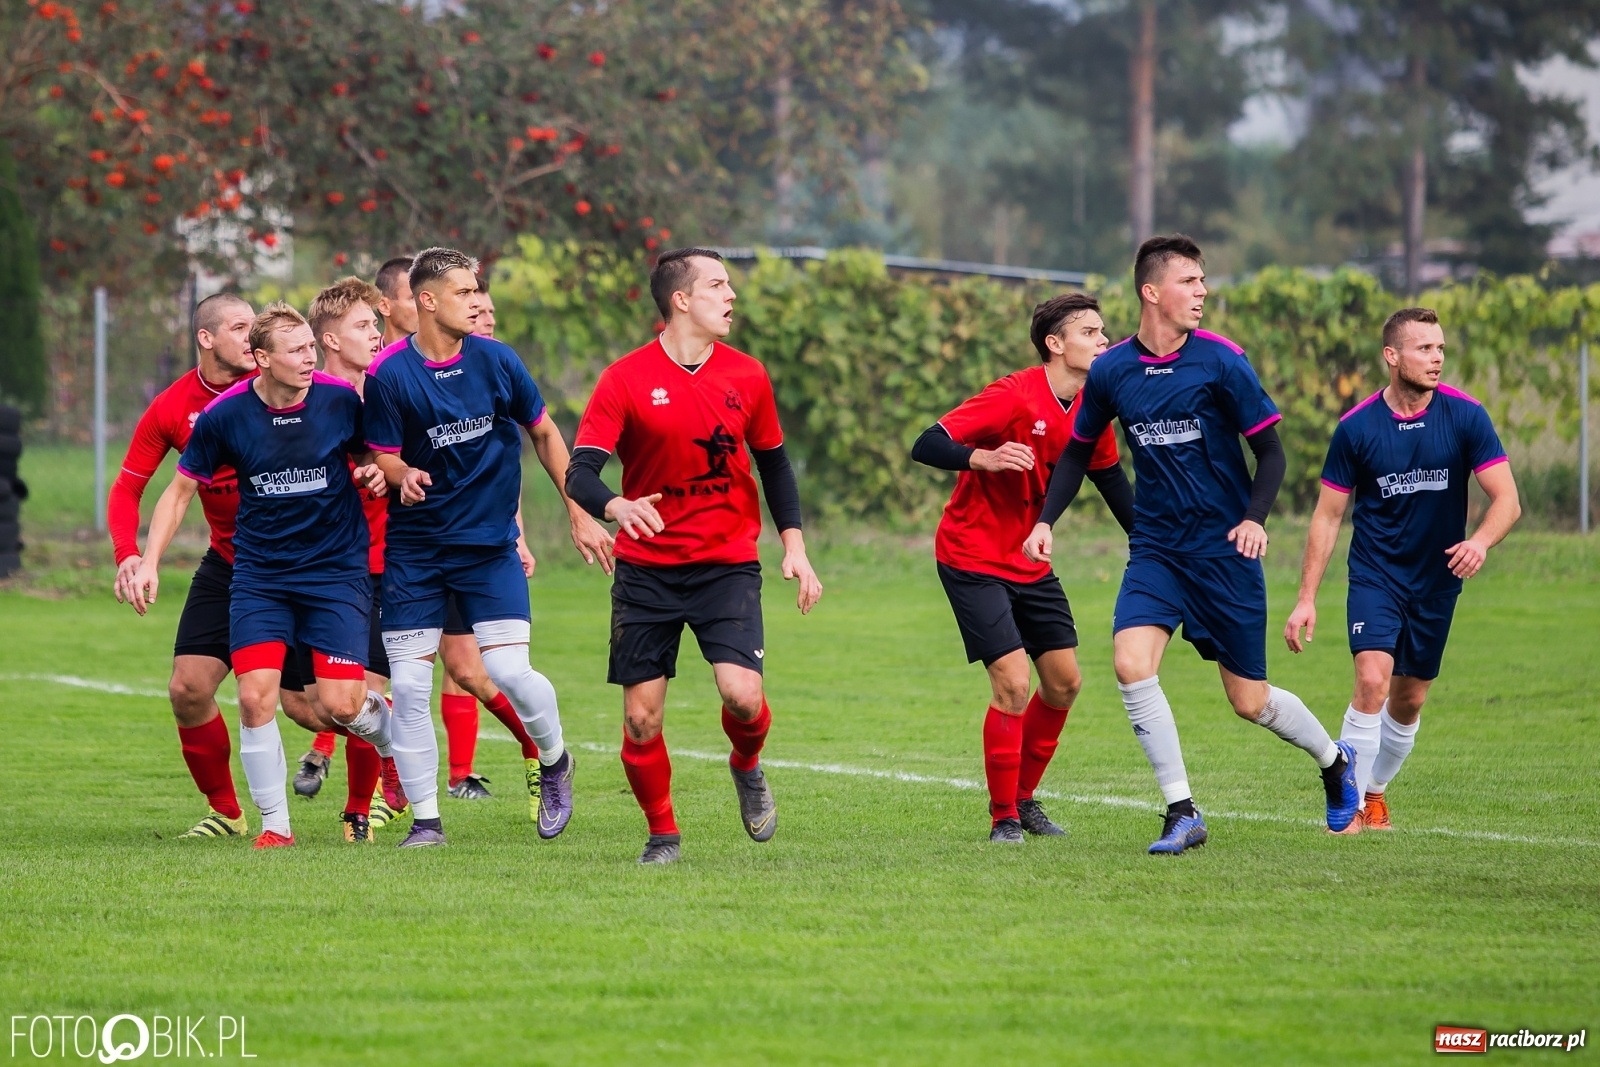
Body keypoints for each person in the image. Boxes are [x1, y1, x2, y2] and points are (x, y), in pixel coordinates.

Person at [1022, 234, 1359, 854]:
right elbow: (1076, 453)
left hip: (1226, 555)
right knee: (1130, 666)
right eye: (1189, 282)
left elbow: (1272, 453)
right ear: (1152, 292)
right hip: (1157, 550)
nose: (1202, 292)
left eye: (1204, 282)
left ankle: (1335, 762)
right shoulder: (1114, 370)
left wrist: (1255, 519)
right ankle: (1182, 810)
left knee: (1249, 701)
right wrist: (1047, 519)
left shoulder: (1223, 361)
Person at [566, 247, 823, 865]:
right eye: (717, 284)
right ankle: (663, 835)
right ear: (680, 300)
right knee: (641, 720)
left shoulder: (748, 374)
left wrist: (795, 544)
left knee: (743, 697)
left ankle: (747, 762)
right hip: (647, 571)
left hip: (726, 563)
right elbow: (580, 473)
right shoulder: (624, 378)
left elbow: (775, 464)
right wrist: (616, 507)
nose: (731, 295)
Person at [365, 247, 612, 848]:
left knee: (509, 671)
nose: (478, 302)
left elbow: (547, 433)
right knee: (412, 685)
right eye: (465, 292)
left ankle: (554, 761)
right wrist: (404, 477)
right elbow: (385, 456)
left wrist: (579, 513)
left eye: (479, 291)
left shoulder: (499, 361)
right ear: (427, 301)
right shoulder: (390, 375)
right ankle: (427, 823)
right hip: (417, 552)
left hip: (488, 547)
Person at [131, 302, 390, 848]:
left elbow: (376, 455)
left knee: (342, 707)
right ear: (262, 358)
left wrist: (375, 472)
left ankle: (391, 744)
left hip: (334, 573)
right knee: (255, 698)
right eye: (295, 350)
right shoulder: (225, 415)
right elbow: (179, 493)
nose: (308, 359)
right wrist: (149, 560)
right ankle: (276, 827)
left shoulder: (341, 401)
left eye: (311, 349)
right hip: (259, 577)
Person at [1285, 307, 1520, 832]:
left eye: (1440, 348)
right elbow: (1327, 517)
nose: (1436, 358)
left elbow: (1507, 498)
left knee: (1409, 699)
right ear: (1392, 356)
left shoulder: (1466, 415)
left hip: (1437, 580)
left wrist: (1480, 542)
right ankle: (1347, 809)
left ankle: (1374, 793)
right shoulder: (1356, 428)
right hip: (1376, 575)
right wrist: (1307, 597)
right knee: (1372, 678)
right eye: (1424, 348)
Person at [911, 293, 1134, 842]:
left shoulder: (1094, 407)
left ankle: (1025, 801)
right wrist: (979, 456)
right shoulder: (1011, 395)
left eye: (1104, 332)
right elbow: (926, 444)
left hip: (1030, 561)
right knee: (1012, 682)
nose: (1104, 342)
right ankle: (1003, 817)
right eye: (1090, 333)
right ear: (1055, 345)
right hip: (972, 556)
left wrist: (1150, 543)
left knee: (1063, 683)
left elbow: (1109, 481)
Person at [109, 293, 320, 839]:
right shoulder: (173, 407)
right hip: (231, 563)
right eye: (239, 327)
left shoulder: (295, 388)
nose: (254, 337)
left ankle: (390, 778)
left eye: (257, 327)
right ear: (206, 339)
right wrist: (132, 556)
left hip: (305, 566)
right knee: (188, 688)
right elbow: (130, 489)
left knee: (314, 708)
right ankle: (227, 813)